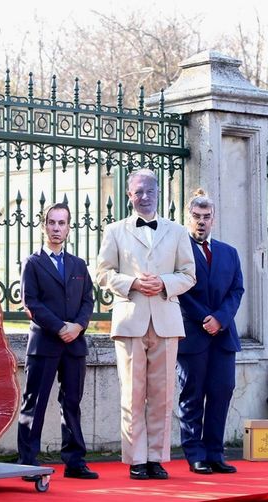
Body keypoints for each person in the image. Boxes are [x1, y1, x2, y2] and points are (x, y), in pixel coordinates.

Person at [96, 168, 196, 480]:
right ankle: (136, 458)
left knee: (163, 394)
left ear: (157, 193)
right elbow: (102, 273)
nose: (144, 196)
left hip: (166, 320)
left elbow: (189, 274)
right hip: (130, 321)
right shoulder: (114, 230)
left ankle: (157, 457)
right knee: (132, 393)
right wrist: (134, 283)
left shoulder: (178, 231)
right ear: (129, 195)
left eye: (149, 190)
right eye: (138, 191)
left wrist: (164, 282)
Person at [17, 202, 99, 480]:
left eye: (61, 223)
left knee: (72, 403)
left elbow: (88, 299)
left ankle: (75, 461)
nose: (56, 228)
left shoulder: (78, 264)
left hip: (74, 345)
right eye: (52, 222)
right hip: (45, 344)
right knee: (34, 402)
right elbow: (31, 302)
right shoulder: (33, 263)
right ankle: (28, 462)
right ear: (44, 225)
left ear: (68, 227)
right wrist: (59, 327)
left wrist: (77, 326)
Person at [176, 189, 244, 474]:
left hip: (223, 335)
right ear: (188, 218)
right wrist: (206, 318)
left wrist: (221, 319)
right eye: (196, 217)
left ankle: (215, 452)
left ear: (213, 219)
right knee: (192, 394)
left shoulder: (229, 252)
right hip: (194, 335)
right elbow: (180, 291)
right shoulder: (180, 251)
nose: (201, 222)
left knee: (221, 391)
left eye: (206, 217)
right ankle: (195, 454)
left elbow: (236, 290)